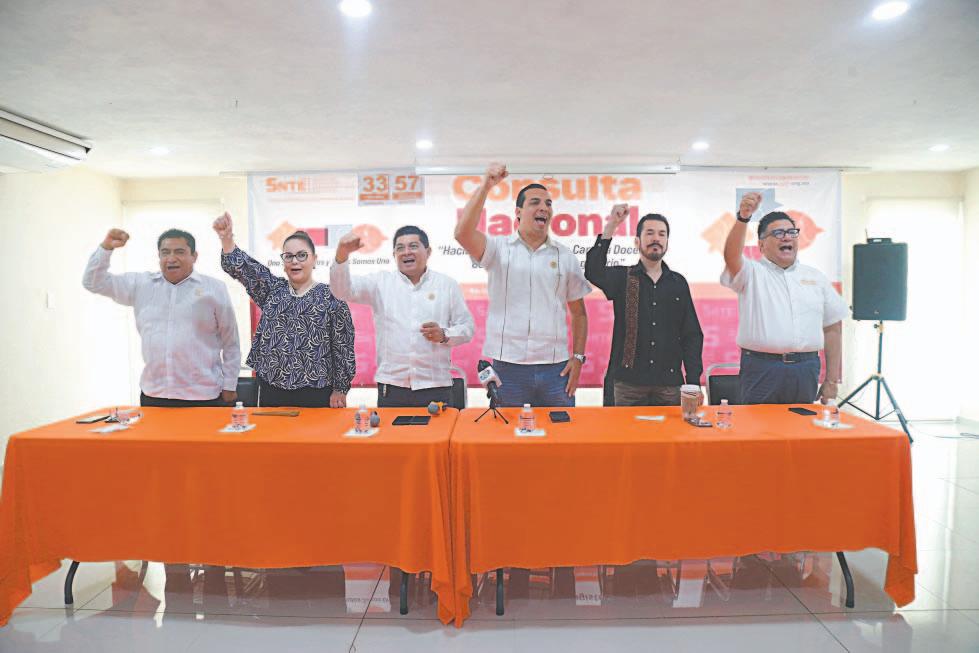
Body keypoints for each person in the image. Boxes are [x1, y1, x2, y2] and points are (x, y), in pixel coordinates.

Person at [454, 162, 591, 407]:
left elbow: (579, 313)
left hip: (556, 369)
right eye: (535, 202)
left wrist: (578, 358)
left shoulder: (565, 256)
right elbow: (462, 233)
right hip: (508, 368)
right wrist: (486, 186)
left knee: (560, 430)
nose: (544, 208)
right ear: (518, 212)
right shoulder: (497, 248)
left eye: (548, 203)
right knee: (509, 432)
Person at [82, 227, 240, 407]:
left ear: (194, 256)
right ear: (159, 256)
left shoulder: (214, 288)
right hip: (154, 394)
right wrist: (106, 248)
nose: (171, 258)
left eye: (179, 252)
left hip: (203, 395)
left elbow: (231, 342)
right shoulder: (140, 284)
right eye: (165, 252)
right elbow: (93, 282)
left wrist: (230, 385)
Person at [214, 212, 355, 408]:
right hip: (272, 389)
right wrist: (226, 238)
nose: (295, 261)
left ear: (314, 259)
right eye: (289, 256)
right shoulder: (272, 289)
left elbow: (343, 347)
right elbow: (244, 269)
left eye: (302, 255)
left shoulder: (332, 298)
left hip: (316, 392)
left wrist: (340, 389)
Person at [721, 192, 848, 404]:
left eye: (791, 232)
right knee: (757, 425)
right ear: (761, 245)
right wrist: (743, 218)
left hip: (806, 369)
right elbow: (731, 256)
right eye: (778, 233)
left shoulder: (816, 277)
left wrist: (831, 381)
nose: (787, 237)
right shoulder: (752, 273)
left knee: (802, 424)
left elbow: (833, 327)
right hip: (761, 369)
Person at [330, 225, 474, 407]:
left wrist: (444, 335)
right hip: (392, 388)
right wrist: (342, 256)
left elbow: (466, 328)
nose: (406, 252)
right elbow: (341, 291)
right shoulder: (380, 283)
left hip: (436, 386)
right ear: (394, 254)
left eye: (413, 246)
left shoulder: (447, 285)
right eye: (400, 248)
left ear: (428, 251)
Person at [585, 204, 703, 406]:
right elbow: (593, 271)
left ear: (667, 242)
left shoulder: (678, 283)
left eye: (662, 234)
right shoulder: (624, 277)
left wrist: (693, 382)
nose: (656, 238)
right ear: (637, 241)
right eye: (649, 233)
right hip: (628, 385)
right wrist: (612, 225)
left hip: (669, 385)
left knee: (673, 429)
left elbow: (691, 334)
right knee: (623, 428)